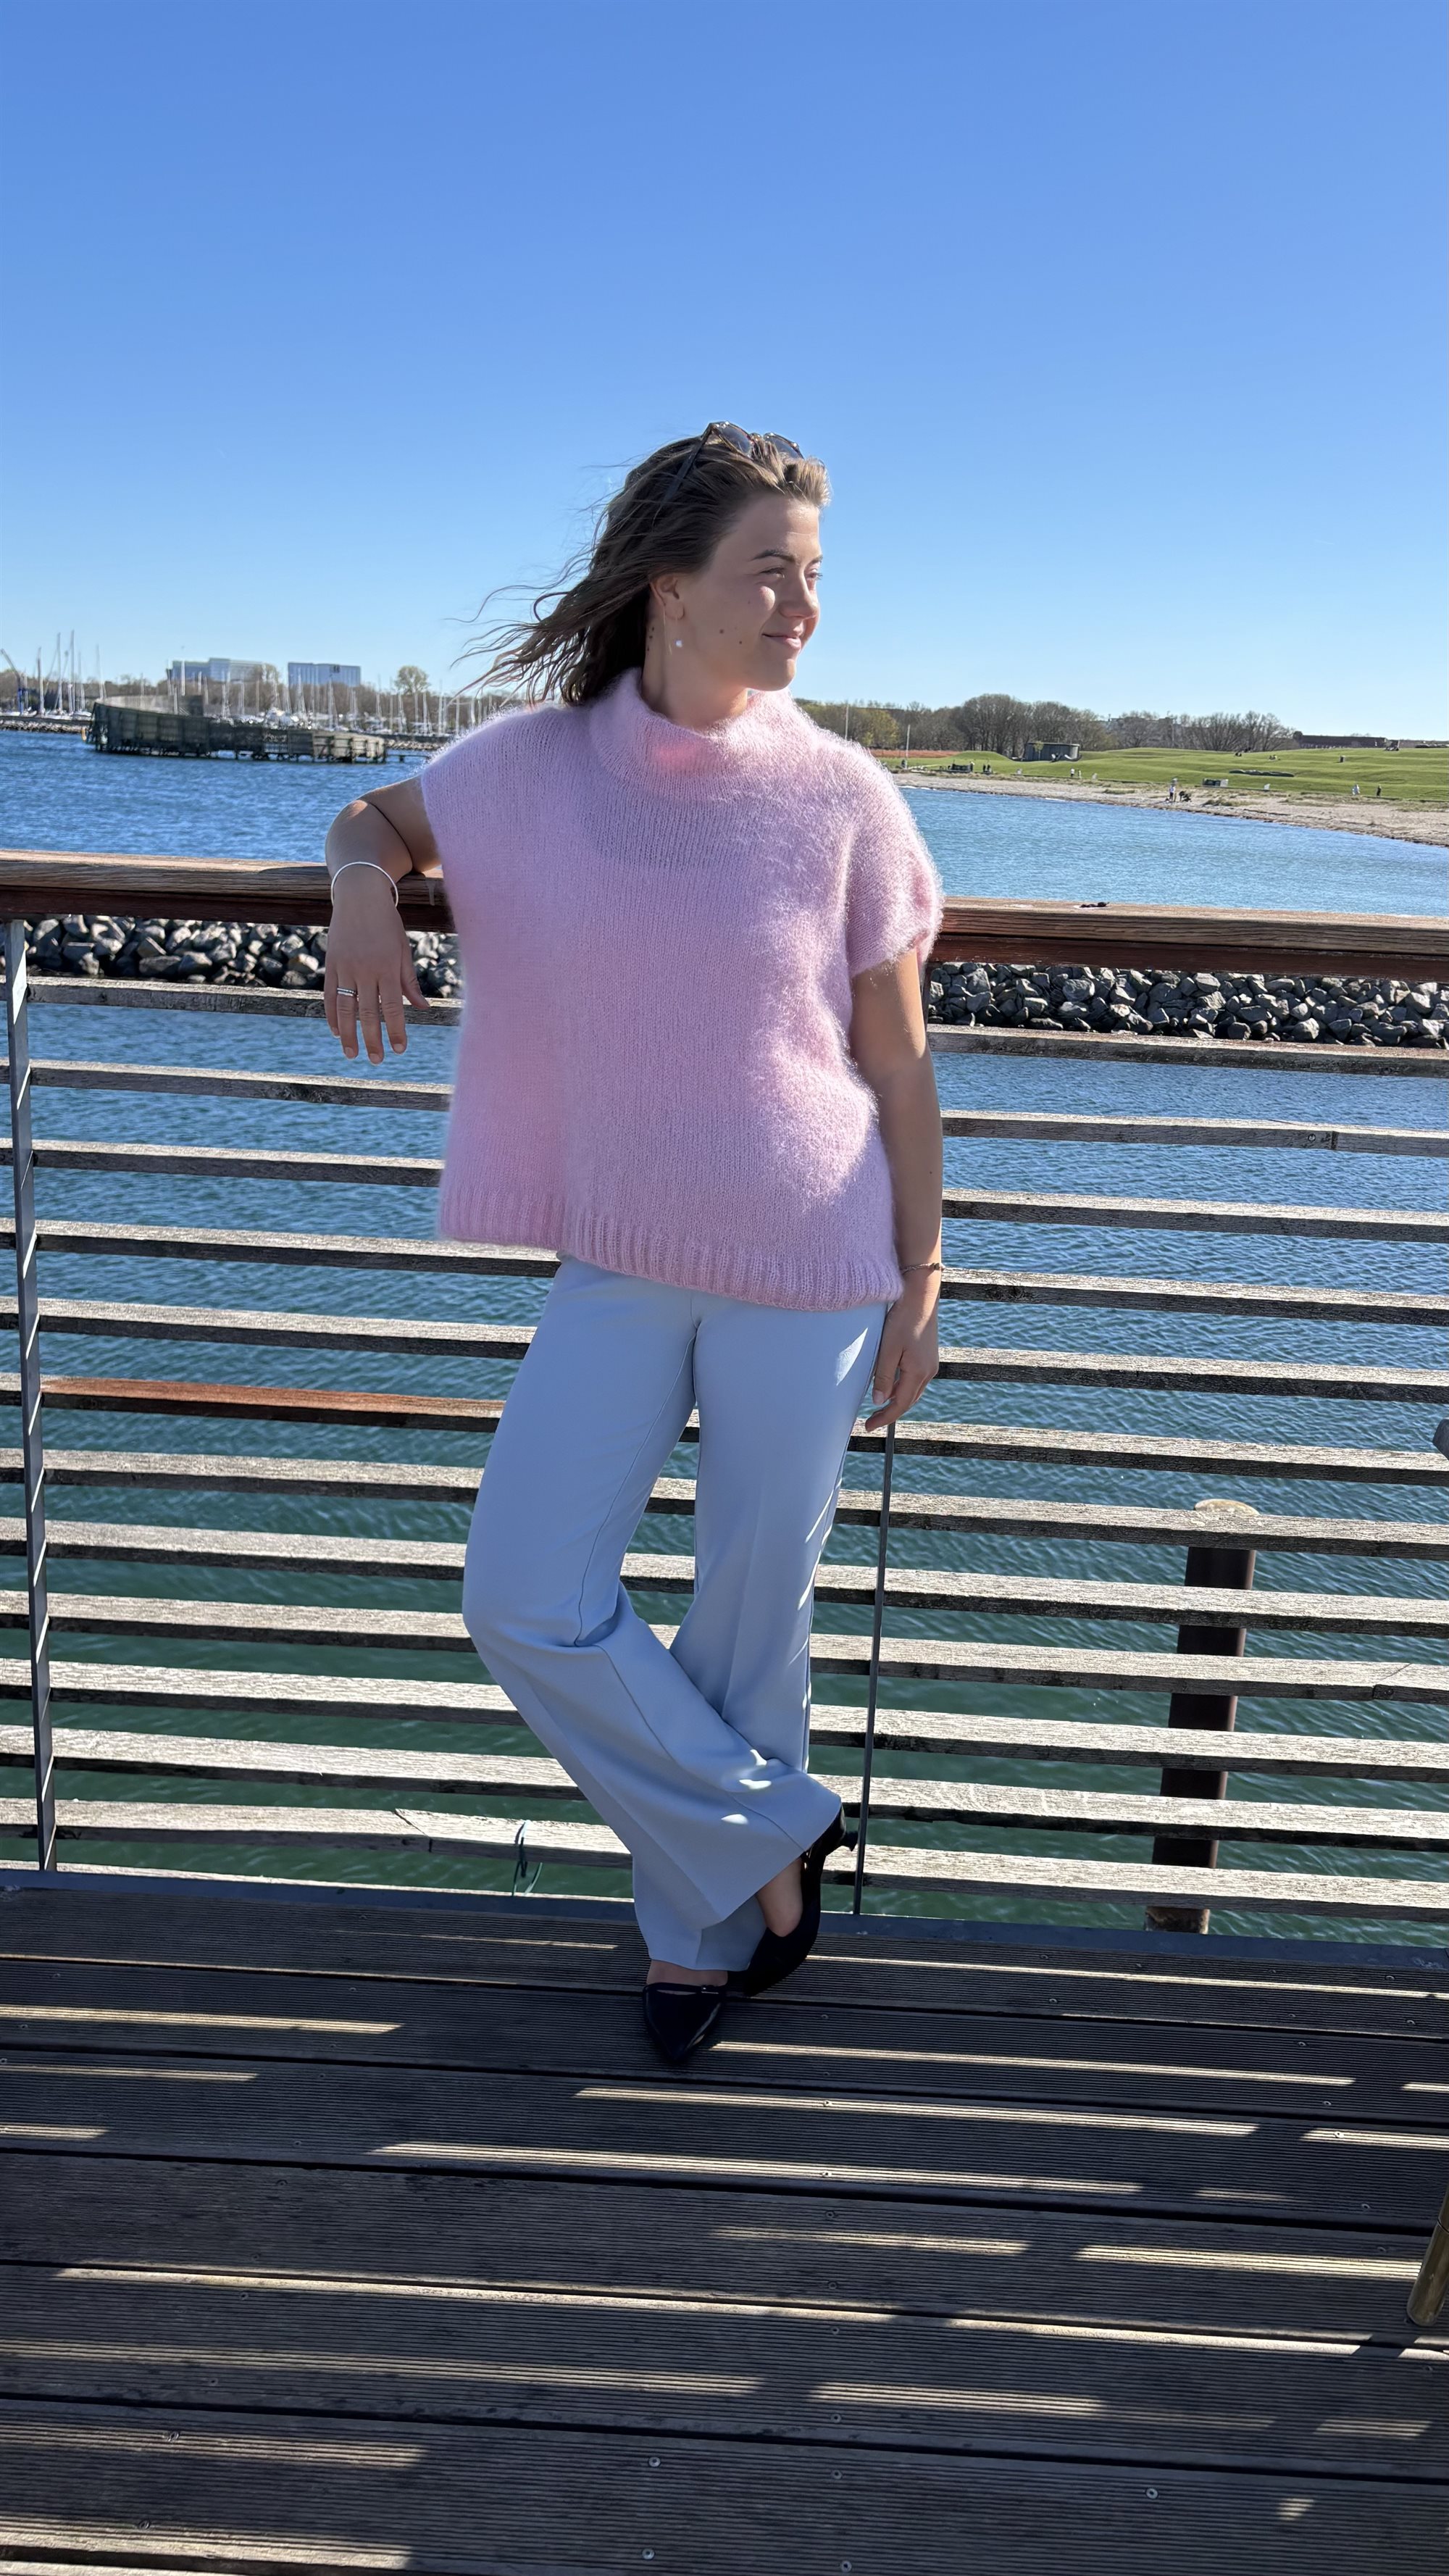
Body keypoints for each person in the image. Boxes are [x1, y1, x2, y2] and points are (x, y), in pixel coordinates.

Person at [319, 425, 945, 2061]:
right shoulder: (529, 767)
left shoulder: (843, 797)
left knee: (752, 1609)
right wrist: (363, 886)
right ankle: (775, 1832)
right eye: (770, 570)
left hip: (812, 1250)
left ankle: (700, 1934)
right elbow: (374, 820)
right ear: (670, 587)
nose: (803, 605)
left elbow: (897, 1065)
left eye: (816, 574)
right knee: (524, 1591)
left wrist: (926, 1273)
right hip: (621, 1249)